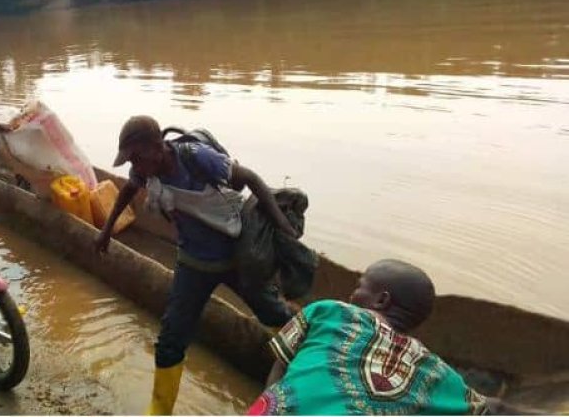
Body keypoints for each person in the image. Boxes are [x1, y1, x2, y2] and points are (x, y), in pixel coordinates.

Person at [94, 115, 300, 415]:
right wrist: (105, 230)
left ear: (157, 146)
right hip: (194, 261)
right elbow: (127, 190)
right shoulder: (145, 170)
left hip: (235, 257)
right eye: (130, 160)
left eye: (137, 157)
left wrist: (283, 227)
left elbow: (251, 179)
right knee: (170, 341)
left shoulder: (197, 159)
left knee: (276, 315)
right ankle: (159, 411)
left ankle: (306, 360)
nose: (134, 166)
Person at [247, 259, 519, 416]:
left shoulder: (328, 311)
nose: (353, 294)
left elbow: (281, 364)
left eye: (359, 285)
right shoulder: (437, 372)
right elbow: (493, 408)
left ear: (381, 300)